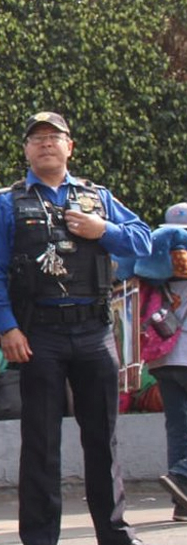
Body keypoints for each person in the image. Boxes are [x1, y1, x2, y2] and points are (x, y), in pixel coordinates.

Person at [0, 111, 150, 545]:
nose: (46, 143)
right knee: (40, 443)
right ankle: (39, 538)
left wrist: (103, 229)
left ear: (70, 146)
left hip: (93, 331)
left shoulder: (98, 198)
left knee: (102, 440)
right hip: (39, 336)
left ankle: (114, 534)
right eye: (36, 138)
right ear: (26, 150)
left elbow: (143, 240)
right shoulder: (5, 203)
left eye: (54, 137)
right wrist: (9, 328)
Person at [152, 202, 187, 523]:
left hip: (163, 359)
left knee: (178, 428)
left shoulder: (156, 266)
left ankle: (182, 505)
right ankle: (180, 474)